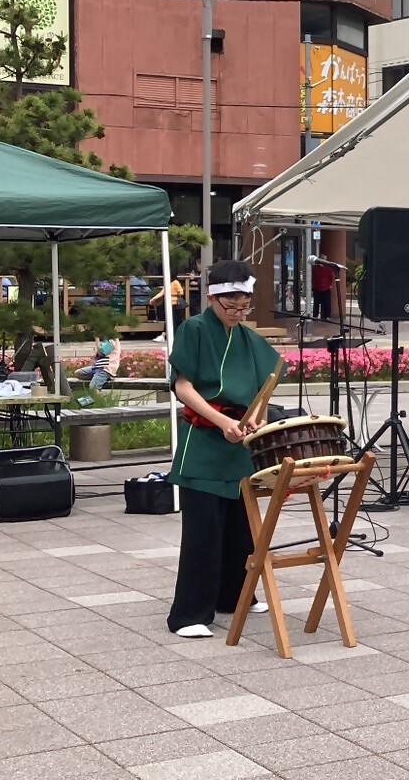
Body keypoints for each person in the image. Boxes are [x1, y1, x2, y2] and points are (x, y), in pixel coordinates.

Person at [166, 259, 285, 638]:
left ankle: (235, 598)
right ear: (214, 299)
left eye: (244, 304)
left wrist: (257, 419)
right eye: (230, 304)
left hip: (239, 443)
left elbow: (263, 388)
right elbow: (183, 386)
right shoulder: (195, 329)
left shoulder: (250, 339)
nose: (238, 311)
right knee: (203, 530)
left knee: (240, 529)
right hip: (204, 440)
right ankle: (189, 615)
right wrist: (222, 422)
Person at [150, 274, 187, 341]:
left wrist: (170, 294)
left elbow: (181, 292)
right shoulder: (168, 284)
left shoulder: (175, 282)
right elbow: (162, 293)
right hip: (169, 304)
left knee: (176, 321)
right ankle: (164, 335)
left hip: (175, 304)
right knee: (172, 320)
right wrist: (153, 299)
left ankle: (164, 335)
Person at [311, 254, 337, 321]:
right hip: (317, 288)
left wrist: (330, 285)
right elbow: (313, 278)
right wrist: (313, 286)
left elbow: (332, 277)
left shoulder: (329, 268)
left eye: (324, 259)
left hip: (326, 288)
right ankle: (315, 316)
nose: (323, 260)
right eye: (322, 259)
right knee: (316, 303)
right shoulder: (315, 268)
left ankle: (325, 316)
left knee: (326, 303)